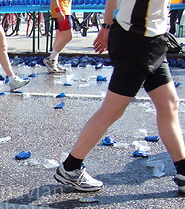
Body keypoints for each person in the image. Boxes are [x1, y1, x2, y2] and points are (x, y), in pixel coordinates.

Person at [54, 0, 185, 194]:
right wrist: (106, 26)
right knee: (112, 110)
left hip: (154, 40)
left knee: (169, 104)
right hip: (136, 41)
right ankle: (70, 168)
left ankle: (183, 173)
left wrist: (107, 26)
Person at [43, 0, 73, 73]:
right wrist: (59, 10)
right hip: (62, 10)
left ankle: (54, 63)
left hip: (63, 10)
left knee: (59, 37)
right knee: (69, 36)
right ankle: (50, 59)